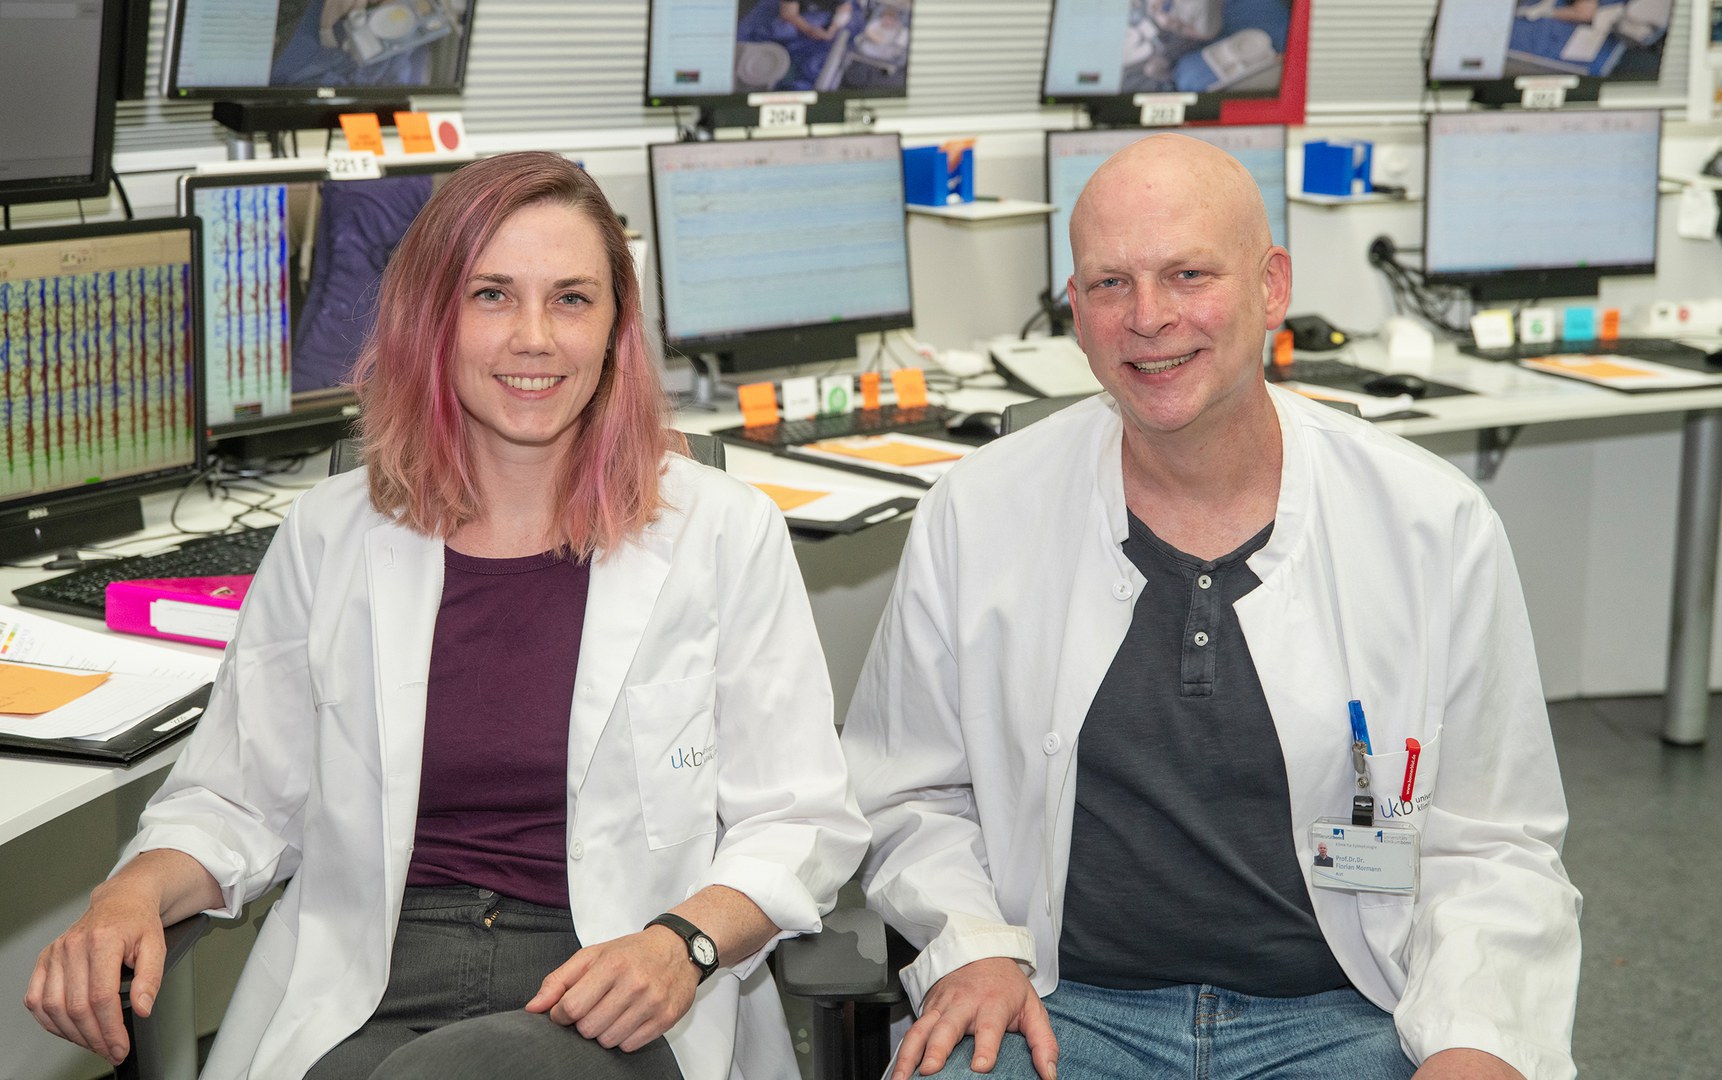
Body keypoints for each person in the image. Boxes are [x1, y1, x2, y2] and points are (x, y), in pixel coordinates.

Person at [26, 152, 869, 1080]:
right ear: (432, 318)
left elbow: (801, 819)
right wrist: (131, 892)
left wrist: (686, 945)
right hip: (370, 971)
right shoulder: (329, 533)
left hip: (614, 976)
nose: (535, 337)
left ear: (617, 329)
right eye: (493, 295)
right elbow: (237, 798)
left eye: (573, 299)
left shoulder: (721, 531)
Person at [842, 133, 1581, 1080]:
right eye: (1110, 285)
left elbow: (1494, 842)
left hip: (1348, 1012)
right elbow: (907, 789)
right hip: (1062, 1008)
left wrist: (1476, 1040)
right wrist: (972, 942)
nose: (1148, 318)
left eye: (1188, 274)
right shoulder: (978, 510)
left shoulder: (1431, 524)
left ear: (1273, 286)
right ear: (1075, 308)